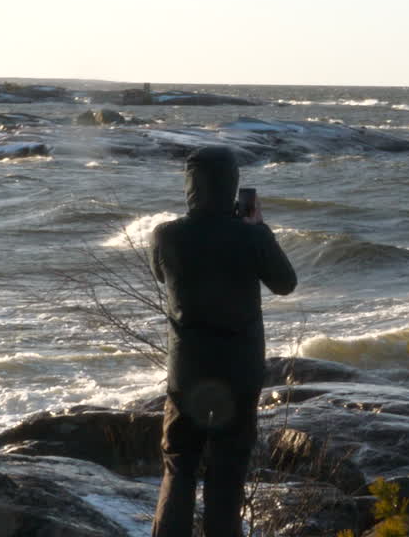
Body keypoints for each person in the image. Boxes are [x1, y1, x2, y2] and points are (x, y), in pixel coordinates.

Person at [149, 146, 297, 537]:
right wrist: (258, 229)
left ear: (190, 185)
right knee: (228, 470)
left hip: (187, 371)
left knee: (179, 464)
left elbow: (161, 278)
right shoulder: (250, 237)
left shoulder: (166, 235)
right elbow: (286, 284)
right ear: (232, 186)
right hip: (239, 371)